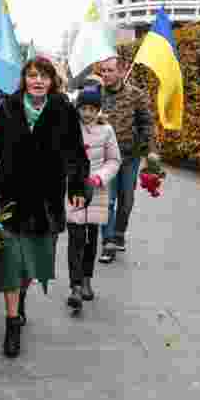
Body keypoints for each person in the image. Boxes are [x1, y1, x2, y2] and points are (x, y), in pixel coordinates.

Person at [0, 57, 89, 358]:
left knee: (31, 264)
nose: (38, 81)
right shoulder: (10, 106)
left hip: (46, 198)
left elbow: (75, 151)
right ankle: (11, 324)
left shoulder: (63, 108)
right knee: (10, 260)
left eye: (44, 76)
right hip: (12, 194)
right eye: (32, 75)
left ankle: (20, 297)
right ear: (24, 78)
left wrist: (77, 186)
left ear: (52, 80)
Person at [64, 86, 121, 309]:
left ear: (98, 110)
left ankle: (87, 279)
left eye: (92, 109)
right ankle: (75, 286)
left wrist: (100, 177)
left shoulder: (107, 130)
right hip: (74, 190)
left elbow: (114, 160)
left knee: (91, 238)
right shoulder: (70, 128)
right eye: (83, 108)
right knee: (75, 238)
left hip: (97, 190)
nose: (87, 113)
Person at [96, 56, 156, 263]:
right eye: (103, 71)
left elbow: (147, 124)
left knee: (126, 200)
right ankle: (108, 242)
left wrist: (151, 151)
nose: (105, 74)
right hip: (105, 158)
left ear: (121, 72)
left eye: (110, 70)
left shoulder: (136, 95)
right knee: (108, 200)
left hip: (130, 157)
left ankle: (119, 233)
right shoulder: (95, 95)